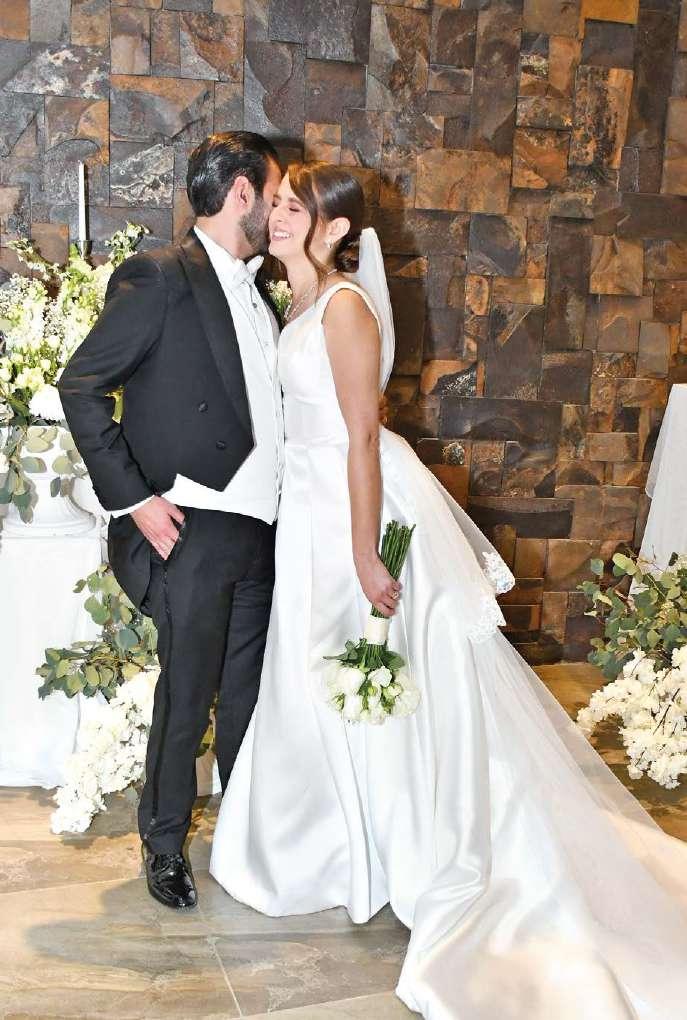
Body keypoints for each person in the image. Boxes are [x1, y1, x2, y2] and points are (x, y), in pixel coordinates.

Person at [209, 162, 687, 1019]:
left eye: (292, 208)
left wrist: (364, 554)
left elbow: (362, 438)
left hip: (350, 514)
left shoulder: (345, 308)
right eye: (275, 204)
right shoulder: (301, 304)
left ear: (333, 229)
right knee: (319, 676)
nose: (276, 217)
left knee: (366, 673)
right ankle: (338, 844)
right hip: (311, 510)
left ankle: (396, 846)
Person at [58, 132, 284, 911]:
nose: (278, 210)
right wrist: (135, 499)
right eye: (274, 194)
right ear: (242, 192)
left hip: (263, 525)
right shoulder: (160, 276)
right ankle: (163, 846)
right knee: (186, 696)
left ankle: (246, 838)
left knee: (249, 697)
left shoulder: (260, 292)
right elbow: (81, 385)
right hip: (193, 521)